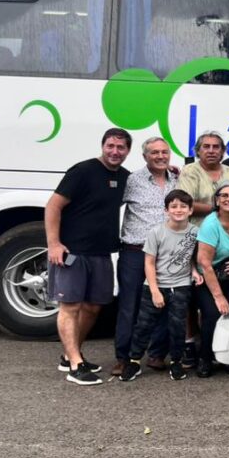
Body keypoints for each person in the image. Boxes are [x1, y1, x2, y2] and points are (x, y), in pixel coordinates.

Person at [46, 128, 132, 384]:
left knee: (94, 307)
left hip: (102, 252)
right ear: (103, 145)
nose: (115, 152)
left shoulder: (126, 177)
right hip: (72, 251)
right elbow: (53, 206)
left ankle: (68, 355)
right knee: (70, 305)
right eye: (111, 146)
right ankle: (75, 364)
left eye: (121, 147)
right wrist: (54, 244)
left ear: (127, 151)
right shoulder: (82, 171)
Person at [113, 136, 179, 377]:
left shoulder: (177, 179)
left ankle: (157, 354)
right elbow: (109, 205)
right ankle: (123, 357)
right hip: (135, 252)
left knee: (162, 304)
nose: (160, 156)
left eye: (164, 152)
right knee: (129, 305)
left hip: (166, 254)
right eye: (154, 153)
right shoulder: (132, 180)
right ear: (144, 157)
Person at [120, 190, 199, 382]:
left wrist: (194, 271)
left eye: (183, 206)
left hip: (181, 285)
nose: (178, 210)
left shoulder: (195, 232)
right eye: (173, 206)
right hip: (155, 285)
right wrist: (155, 291)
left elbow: (193, 257)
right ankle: (134, 361)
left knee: (177, 327)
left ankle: (176, 362)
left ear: (190, 210)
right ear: (166, 210)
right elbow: (149, 263)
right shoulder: (157, 232)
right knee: (144, 325)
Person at [194, 183, 229, 378]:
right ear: (217, 201)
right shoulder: (210, 224)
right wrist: (218, 297)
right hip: (207, 280)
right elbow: (205, 264)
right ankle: (205, 358)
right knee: (212, 315)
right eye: (224, 196)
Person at [180, 131, 229, 225]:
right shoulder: (190, 171)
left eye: (216, 147)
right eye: (206, 146)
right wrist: (220, 208)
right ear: (198, 151)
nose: (211, 151)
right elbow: (185, 204)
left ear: (222, 151)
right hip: (198, 231)